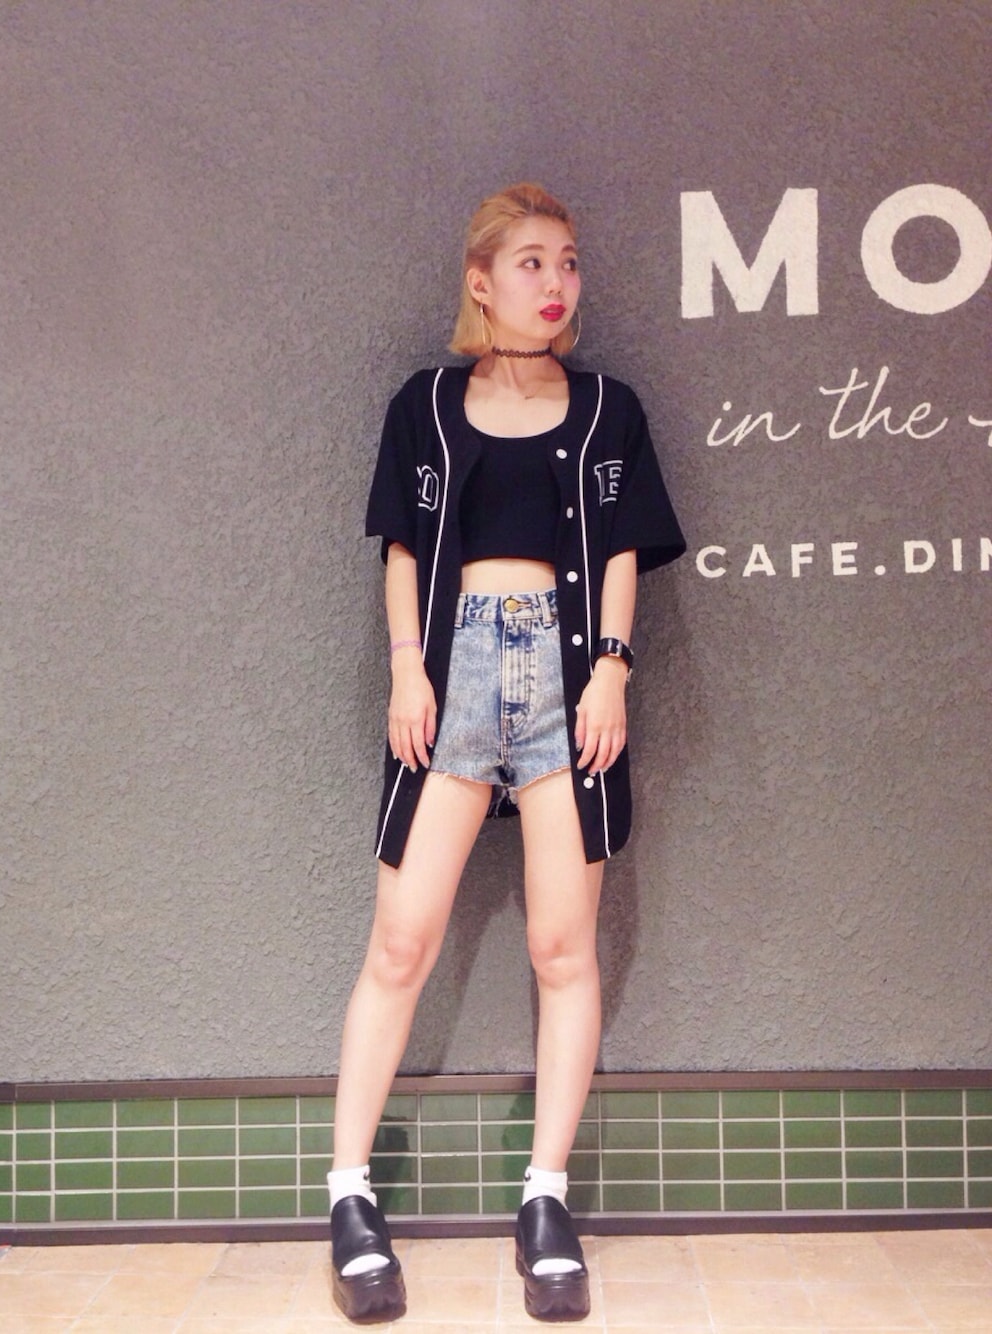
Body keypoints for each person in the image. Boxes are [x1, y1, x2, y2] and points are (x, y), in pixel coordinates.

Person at [327, 183, 685, 1324]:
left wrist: (613, 669)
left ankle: (545, 1200)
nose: (556, 282)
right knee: (400, 940)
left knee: (561, 947)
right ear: (481, 281)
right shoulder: (425, 405)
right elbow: (401, 549)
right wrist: (407, 668)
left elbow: (620, 547)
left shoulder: (610, 409)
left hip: (569, 685)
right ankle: (348, 1192)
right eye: (532, 262)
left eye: (568, 261)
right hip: (452, 678)